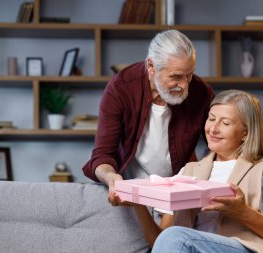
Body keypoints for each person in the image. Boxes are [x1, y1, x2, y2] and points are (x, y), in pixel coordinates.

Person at [131, 90, 263, 253]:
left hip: (245, 249)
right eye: (211, 119)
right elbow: (162, 241)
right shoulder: (188, 172)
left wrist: (244, 213)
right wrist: (136, 201)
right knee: (173, 237)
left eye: (225, 123)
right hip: (193, 248)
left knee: (176, 237)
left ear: (245, 133)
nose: (213, 129)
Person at [82, 30, 215, 207]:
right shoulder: (121, 88)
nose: (184, 85)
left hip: (180, 194)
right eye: (175, 76)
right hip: (132, 194)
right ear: (151, 67)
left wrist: (203, 176)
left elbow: (220, 146)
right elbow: (103, 155)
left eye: (189, 74)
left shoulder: (201, 92)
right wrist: (111, 178)